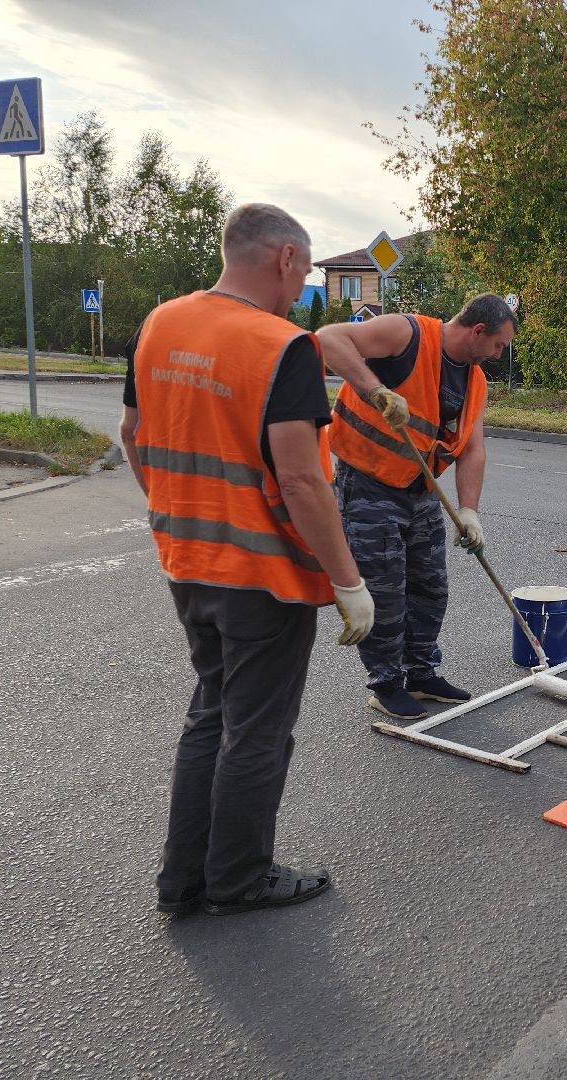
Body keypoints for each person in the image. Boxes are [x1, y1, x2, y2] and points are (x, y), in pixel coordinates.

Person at [118, 203, 377, 918]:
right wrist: (348, 581)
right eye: (304, 271)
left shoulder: (159, 323)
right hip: (264, 577)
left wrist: (172, 511)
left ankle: (184, 880)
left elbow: (132, 433)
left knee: (212, 711)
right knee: (256, 730)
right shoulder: (283, 346)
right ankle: (238, 879)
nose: (301, 291)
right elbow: (301, 480)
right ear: (286, 258)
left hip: (185, 561)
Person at [316, 293, 515, 721]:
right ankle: (386, 684)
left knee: (430, 587)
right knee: (386, 591)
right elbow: (329, 338)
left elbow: (473, 449)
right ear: (478, 331)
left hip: (420, 490)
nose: (499, 354)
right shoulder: (407, 334)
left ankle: (421, 674)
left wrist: (469, 511)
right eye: (498, 345)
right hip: (368, 483)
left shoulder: (475, 381)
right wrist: (376, 390)